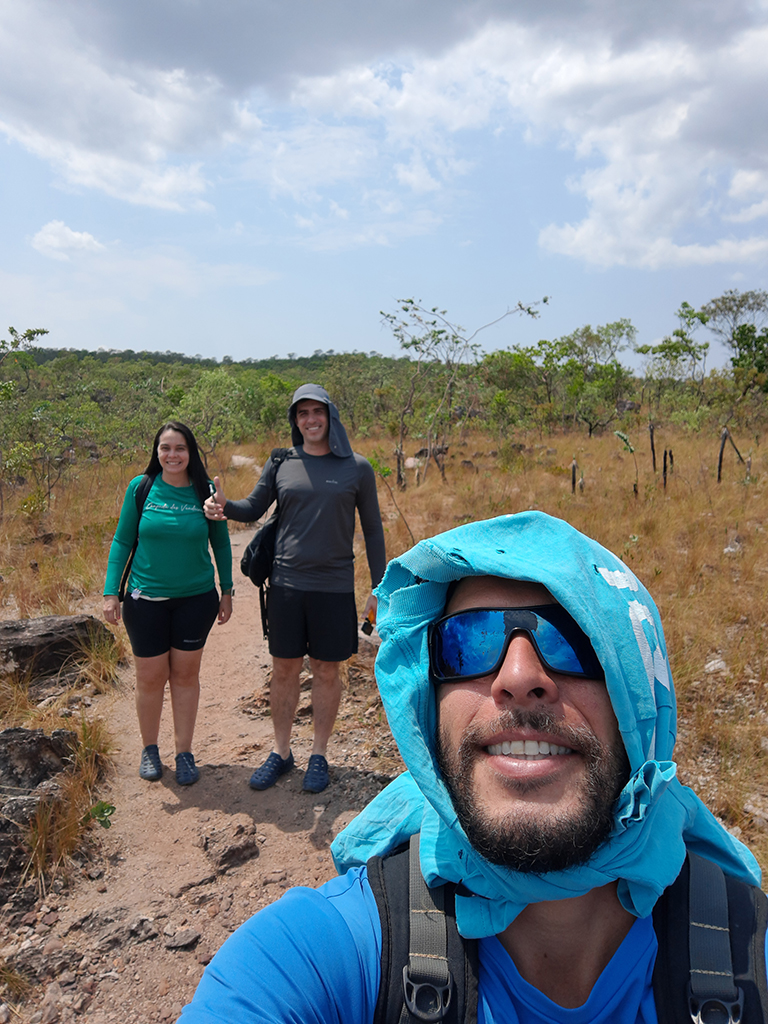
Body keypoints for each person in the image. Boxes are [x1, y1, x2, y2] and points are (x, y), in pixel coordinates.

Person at [179, 511, 765, 1023]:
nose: (517, 678)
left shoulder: (751, 952)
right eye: (469, 641)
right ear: (428, 705)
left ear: (639, 699)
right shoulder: (325, 956)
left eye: (573, 640)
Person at [204, 383, 385, 794]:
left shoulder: (357, 467)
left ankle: (319, 755)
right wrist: (223, 507)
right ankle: (282, 753)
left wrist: (380, 587)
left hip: (334, 588)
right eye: (301, 413)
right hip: (286, 585)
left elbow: (373, 531)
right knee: (284, 670)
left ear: (330, 415)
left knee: (325, 670)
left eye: (316, 412)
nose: (310, 420)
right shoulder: (281, 461)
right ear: (295, 420)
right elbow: (253, 507)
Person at [104, 421, 233, 786]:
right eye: (165, 448)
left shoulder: (205, 491)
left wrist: (227, 590)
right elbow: (121, 541)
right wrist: (110, 592)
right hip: (146, 601)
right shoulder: (141, 489)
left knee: (185, 676)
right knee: (149, 677)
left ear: (190, 453)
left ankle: (184, 752)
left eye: (180, 448)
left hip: (196, 600)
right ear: (156, 452)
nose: (172, 455)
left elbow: (221, 544)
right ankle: (150, 750)